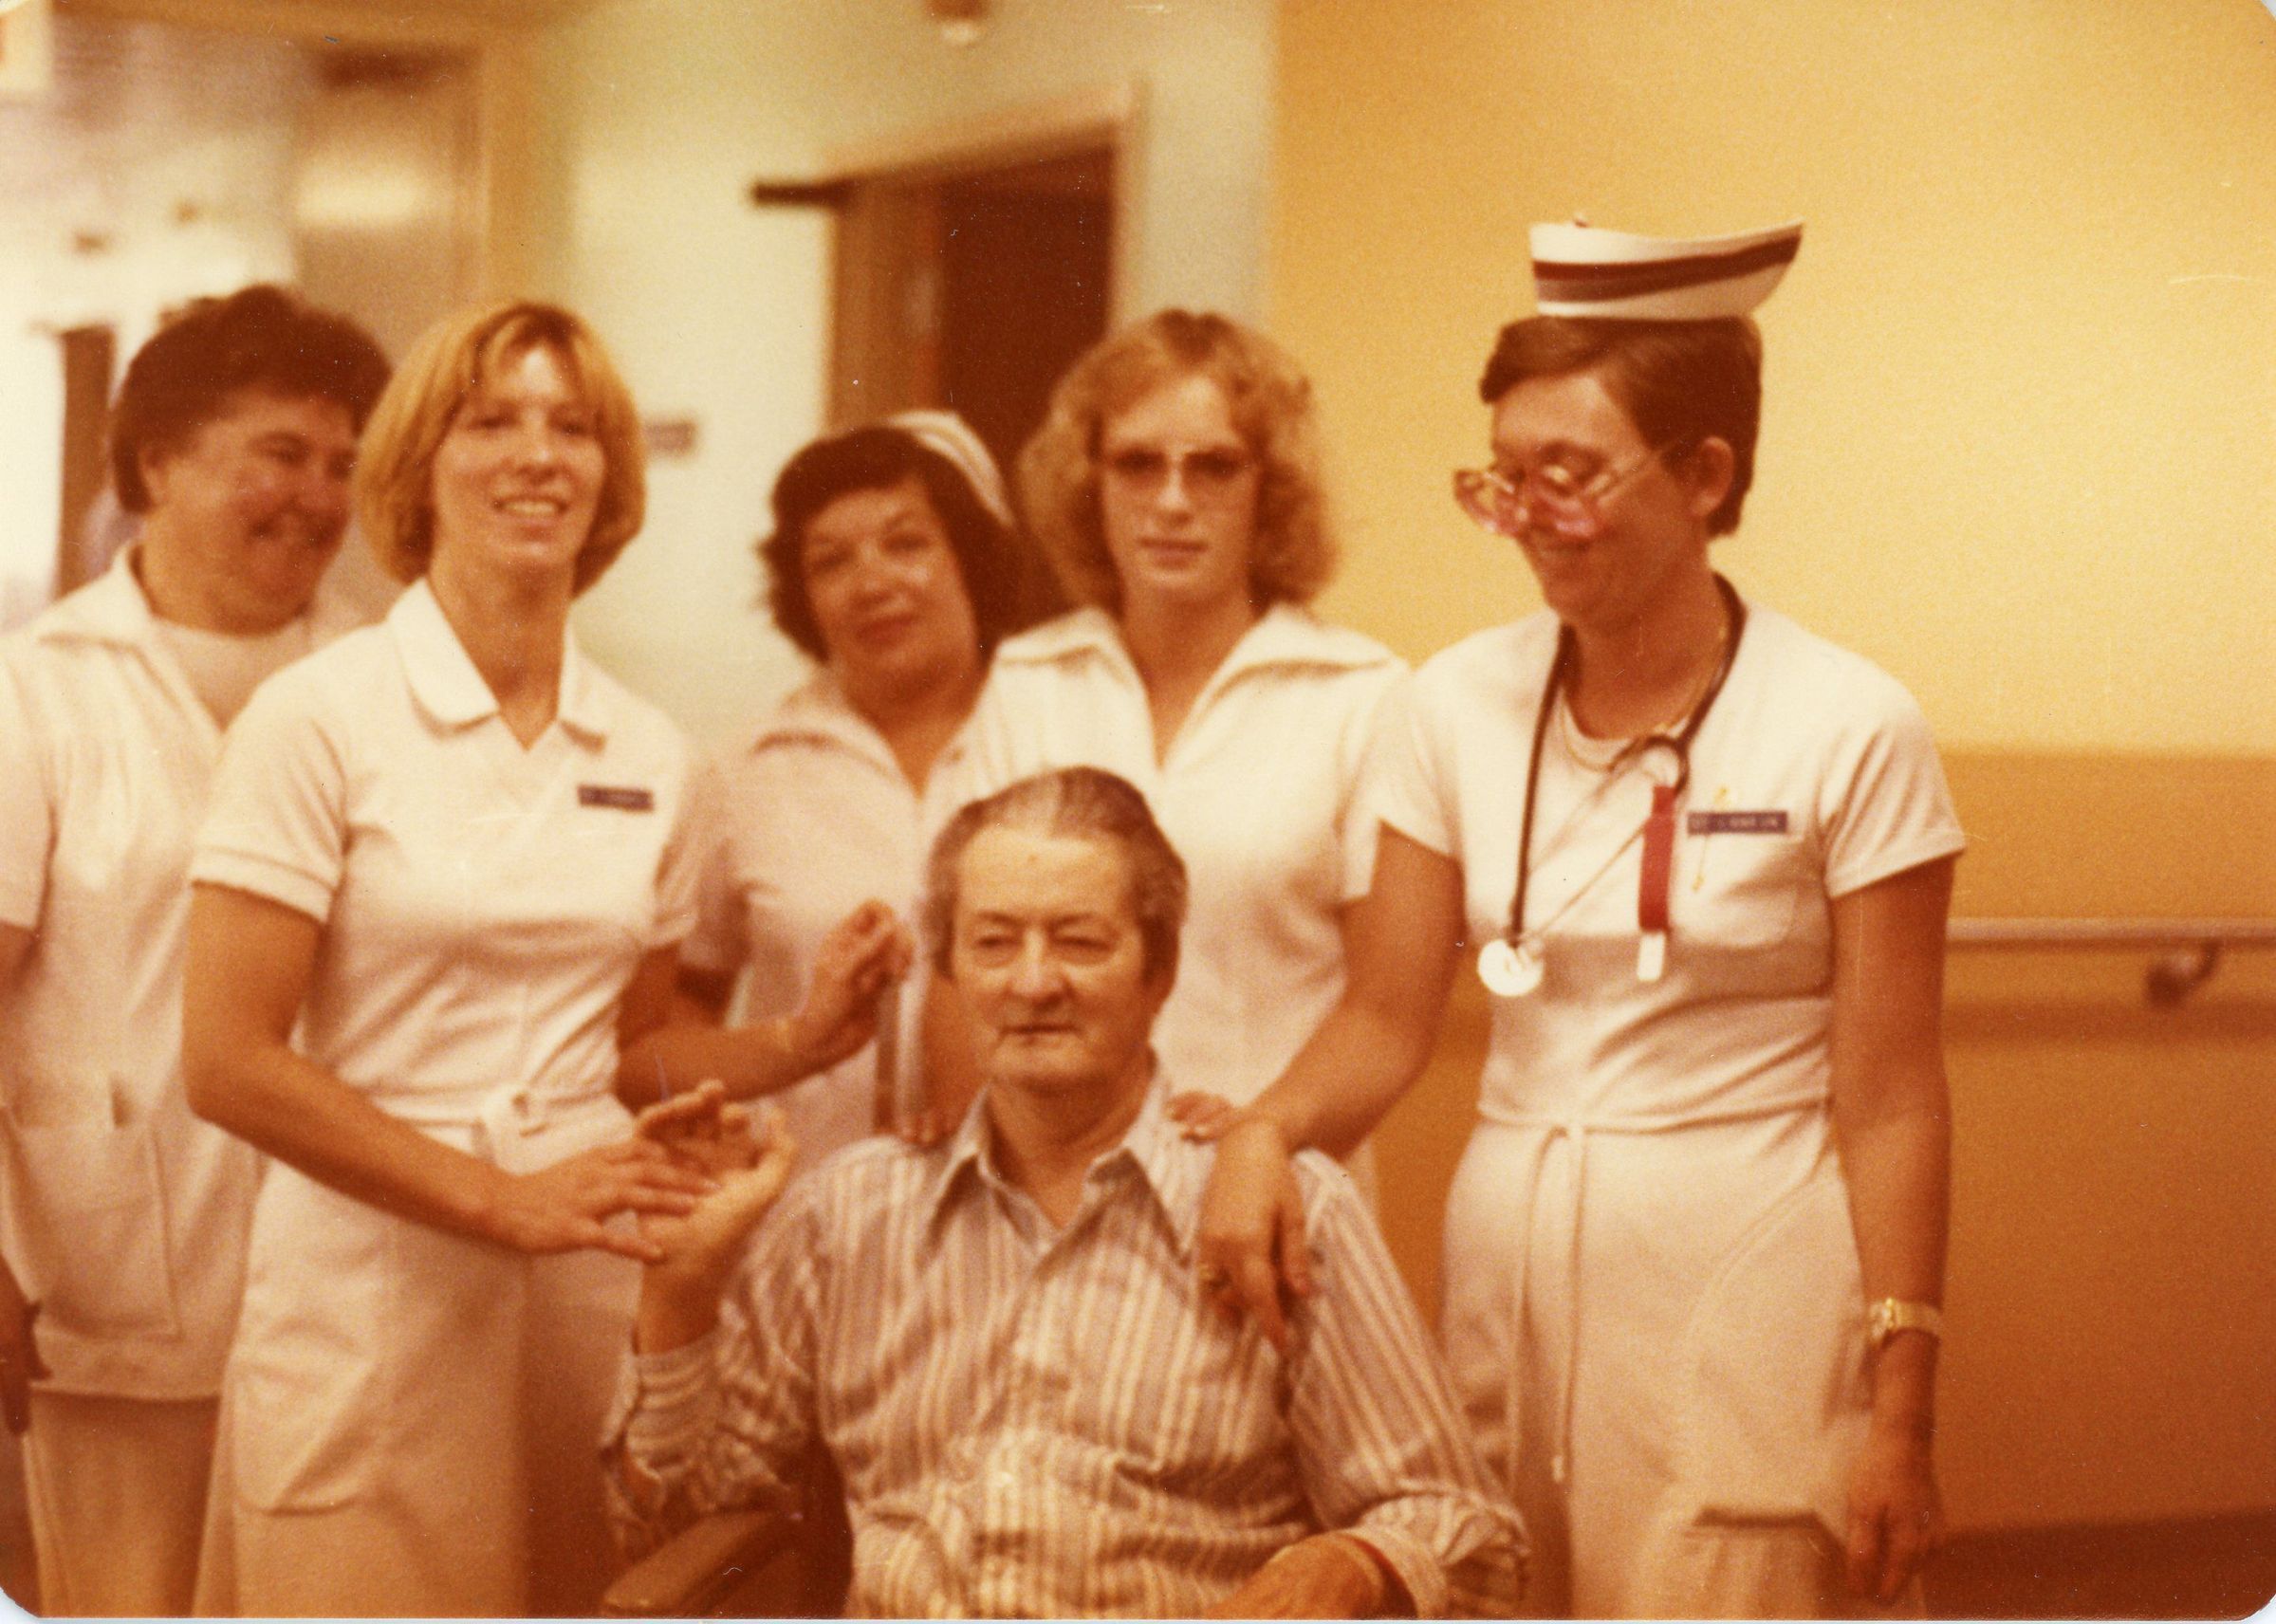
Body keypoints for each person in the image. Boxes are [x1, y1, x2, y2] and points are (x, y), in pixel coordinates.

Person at [1193, 221, 1966, 1618]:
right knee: (1500, 1580)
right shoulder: (1449, 705)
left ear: (1704, 475)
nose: (1527, 514)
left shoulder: (1848, 724)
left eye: (1570, 473)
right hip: (1508, 1275)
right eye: (1506, 475)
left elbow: (1893, 1097)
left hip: (1751, 1279)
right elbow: (1382, 1019)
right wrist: (1262, 1127)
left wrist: (1900, 1410)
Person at [177, 301, 888, 1617]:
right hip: (372, 1283)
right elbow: (226, 1062)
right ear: (418, 466)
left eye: (572, 427)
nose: (537, 455)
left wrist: (797, 1040)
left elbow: (628, 1052)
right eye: (490, 421)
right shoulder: (316, 718)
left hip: (580, 1274)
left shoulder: (653, 755)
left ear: (609, 475)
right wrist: (497, 1199)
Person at [607, 766, 1524, 1617]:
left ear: (1158, 974)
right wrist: (680, 1292)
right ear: (952, 973)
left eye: (1079, 942)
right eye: (994, 942)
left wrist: (1357, 1561)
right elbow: (670, 1531)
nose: (1034, 981)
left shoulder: (1288, 1209)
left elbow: (1468, 1534)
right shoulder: (844, 1218)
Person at [0, 285, 390, 1615]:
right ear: (159, 461)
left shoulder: (378, 682)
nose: (317, 497)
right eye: (280, 453)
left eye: (339, 463)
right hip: (112, 1282)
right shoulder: (35, 686)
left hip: (351, 1298)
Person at [929, 310, 1405, 1153]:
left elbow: (1385, 1010)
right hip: (1049, 1182)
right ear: (1093, 484)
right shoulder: (1030, 681)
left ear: (1269, 490)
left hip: (1272, 1177)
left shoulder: (1361, 695)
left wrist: (1261, 1139)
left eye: (1213, 467)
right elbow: (956, 963)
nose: (1172, 502)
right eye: (1137, 464)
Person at [625, 413, 1045, 1162]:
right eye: (830, 562)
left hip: (1039, 1194)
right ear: (802, 596)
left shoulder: (1057, 732)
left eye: (906, 544)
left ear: (969, 557)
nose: (873, 584)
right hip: (811, 1198)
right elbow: (675, 1013)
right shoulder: (745, 771)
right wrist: (738, 1093)